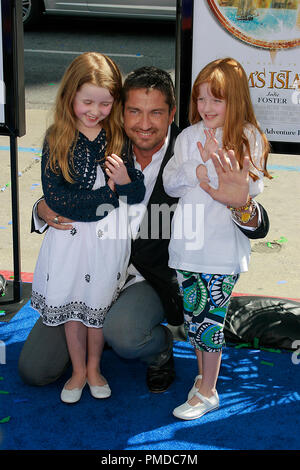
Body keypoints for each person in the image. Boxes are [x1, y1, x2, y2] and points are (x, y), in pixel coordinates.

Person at [19, 65, 269, 395]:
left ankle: (160, 347)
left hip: (146, 278)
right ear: (121, 111)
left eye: (156, 112)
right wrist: (41, 208)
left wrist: (242, 205)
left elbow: (256, 221)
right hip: (87, 270)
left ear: (172, 113)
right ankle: (97, 340)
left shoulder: (193, 147)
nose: (144, 123)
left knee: (125, 332)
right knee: (35, 369)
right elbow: (69, 186)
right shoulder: (100, 138)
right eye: (134, 111)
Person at [30, 52, 145, 404]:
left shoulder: (118, 138)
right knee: (71, 308)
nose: (95, 111)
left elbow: (136, 192)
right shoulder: (57, 137)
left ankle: (94, 367)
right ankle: (78, 370)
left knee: (96, 310)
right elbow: (57, 198)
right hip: (68, 242)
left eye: (105, 103)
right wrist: (105, 201)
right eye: (87, 102)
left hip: (105, 244)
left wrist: (123, 182)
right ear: (70, 97)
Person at [162, 57, 271, 420]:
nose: (205, 108)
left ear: (235, 100)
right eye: (201, 99)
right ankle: (202, 377)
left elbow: (248, 188)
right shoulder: (188, 136)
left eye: (216, 100)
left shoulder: (248, 137)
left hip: (221, 251)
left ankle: (208, 391)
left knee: (211, 322)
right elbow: (170, 183)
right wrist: (197, 166)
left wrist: (213, 163)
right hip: (186, 247)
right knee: (196, 319)